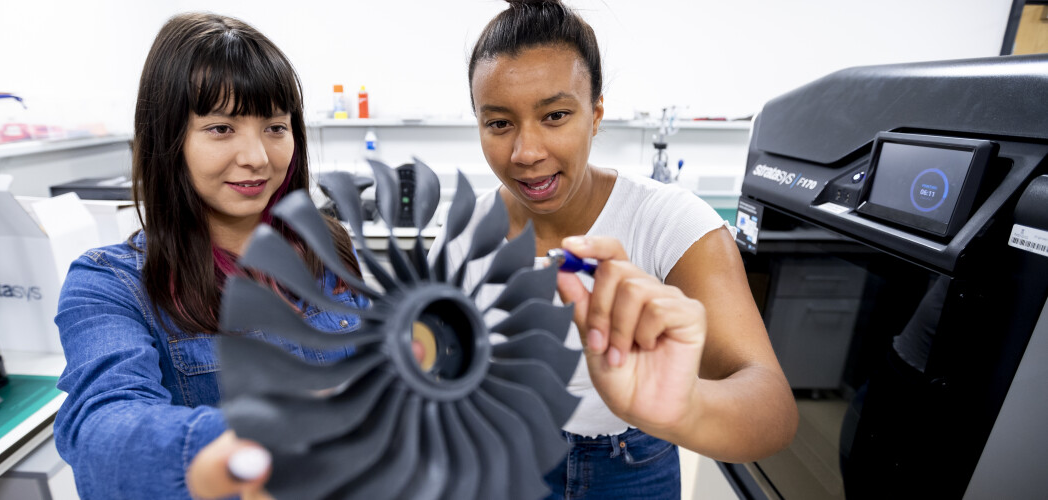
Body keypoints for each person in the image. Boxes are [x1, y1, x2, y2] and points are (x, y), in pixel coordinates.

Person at [433, 1, 799, 498]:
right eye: (499, 123)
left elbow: (771, 408)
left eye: (555, 115)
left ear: (596, 114)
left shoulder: (670, 222)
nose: (527, 152)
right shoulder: (462, 235)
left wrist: (683, 406)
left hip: (632, 465)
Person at [53, 13, 367, 500]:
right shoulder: (110, 284)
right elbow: (103, 434)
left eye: (275, 127)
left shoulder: (326, 244)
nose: (258, 157)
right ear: (168, 139)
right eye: (221, 128)